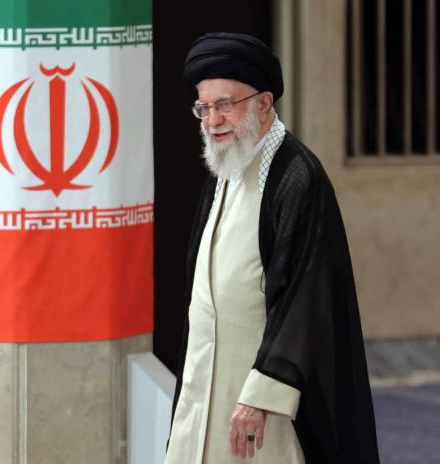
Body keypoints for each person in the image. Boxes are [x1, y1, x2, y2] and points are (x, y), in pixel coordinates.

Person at [165, 32, 380, 463]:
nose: (212, 120)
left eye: (225, 104)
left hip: (266, 400)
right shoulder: (225, 169)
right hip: (205, 383)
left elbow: (308, 294)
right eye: (203, 108)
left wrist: (261, 394)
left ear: (264, 104)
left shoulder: (296, 175)